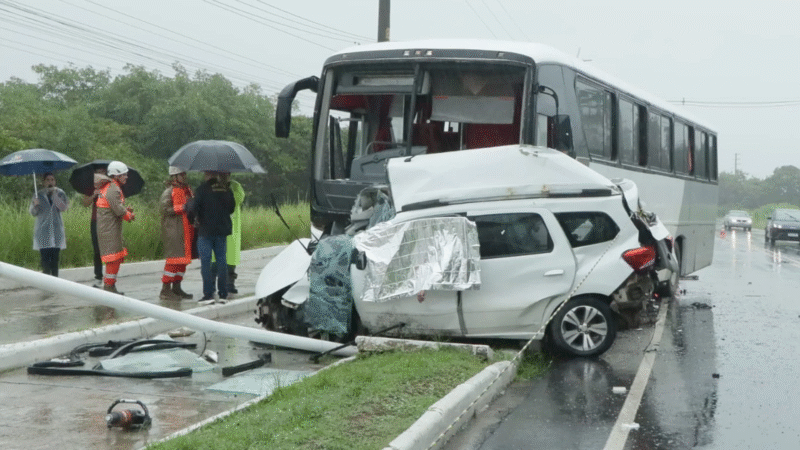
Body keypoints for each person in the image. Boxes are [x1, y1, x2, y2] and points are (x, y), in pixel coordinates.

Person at [188, 171, 234, 301]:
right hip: (222, 231)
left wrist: (193, 219)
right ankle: (223, 293)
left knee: (206, 262)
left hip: (205, 231)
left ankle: (208, 293)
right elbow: (232, 208)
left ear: (207, 174)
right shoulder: (226, 188)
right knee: (221, 261)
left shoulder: (202, 189)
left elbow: (193, 209)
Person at [96, 161, 135, 294]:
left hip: (108, 229)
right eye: (124, 174)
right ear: (117, 175)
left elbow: (115, 207)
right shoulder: (113, 188)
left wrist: (125, 210)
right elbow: (118, 210)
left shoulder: (110, 186)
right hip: (109, 231)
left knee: (115, 259)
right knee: (113, 260)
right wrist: (129, 215)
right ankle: (109, 289)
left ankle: (110, 287)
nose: (126, 177)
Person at [159, 166, 194, 300]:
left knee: (182, 261)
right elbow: (164, 209)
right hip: (174, 231)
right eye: (181, 174)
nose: (184, 176)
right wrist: (182, 207)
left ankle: (177, 287)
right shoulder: (169, 192)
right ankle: (165, 289)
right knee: (173, 261)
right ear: (174, 176)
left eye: (184, 173)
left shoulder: (186, 191)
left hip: (186, 230)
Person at [29, 172, 69, 276]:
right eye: (47, 180)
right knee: (45, 260)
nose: (50, 182)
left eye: (52, 180)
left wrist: (55, 196)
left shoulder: (60, 193)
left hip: (56, 231)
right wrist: (35, 204)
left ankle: (55, 282)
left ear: (55, 181)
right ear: (43, 182)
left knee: (55, 259)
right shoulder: (38, 195)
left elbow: (63, 208)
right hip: (43, 231)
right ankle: (46, 283)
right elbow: (33, 213)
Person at [212, 174, 244, 295]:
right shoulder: (212, 186)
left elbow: (236, 200)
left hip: (232, 230)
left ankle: (229, 284)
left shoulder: (236, 186)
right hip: (216, 229)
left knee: (231, 259)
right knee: (214, 259)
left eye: (227, 174)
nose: (225, 176)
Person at [80, 165, 108, 285]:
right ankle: (98, 276)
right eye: (98, 173)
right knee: (97, 249)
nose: (100, 175)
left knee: (108, 250)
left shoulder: (110, 186)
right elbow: (85, 203)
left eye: (103, 172)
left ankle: (110, 276)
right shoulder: (91, 187)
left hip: (108, 221)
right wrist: (94, 195)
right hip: (96, 220)